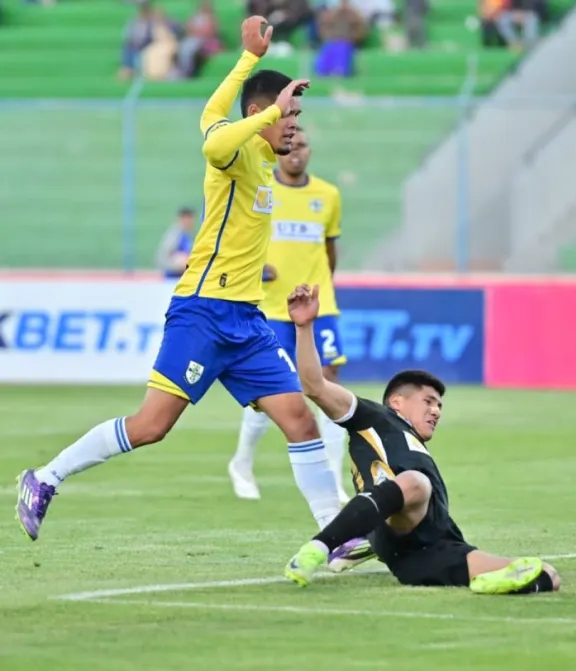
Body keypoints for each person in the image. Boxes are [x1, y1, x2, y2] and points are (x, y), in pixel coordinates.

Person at [15, 17, 345, 549]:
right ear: (261, 114)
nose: (295, 127)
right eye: (289, 116)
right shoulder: (235, 152)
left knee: (300, 421)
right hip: (203, 311)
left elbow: (212, 112)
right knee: (151, 426)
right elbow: (214, 141)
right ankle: (46, 477)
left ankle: (338, 537)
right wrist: (261, 95)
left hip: (247, 319)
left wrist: (248, 59)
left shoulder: (262, 156)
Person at [281, 284, 562, 594]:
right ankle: (322, 546)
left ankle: (484, 582)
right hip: (400, 522)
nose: (436, 410)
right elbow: (314, 386)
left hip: (432, 552)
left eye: (439, 405)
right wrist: (304, 327)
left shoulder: (417, 448)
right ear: (397, 402)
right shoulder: (375, 417)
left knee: (545, 574)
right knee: (415, 482)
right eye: (428, 401)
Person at [229, 127, 352, 508]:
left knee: (329, 385)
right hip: (271, 307)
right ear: (279, 151)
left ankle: (333, 481)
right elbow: (241, 239)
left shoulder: (328, 195)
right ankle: (242, 463)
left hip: (319, 305)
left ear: (310, 151)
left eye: (303, 146)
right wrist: (256, 268)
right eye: (290, 146)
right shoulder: (262, 191)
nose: (296, 153)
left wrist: (322, 287)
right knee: (274, 389)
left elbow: (330, 249)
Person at [156, 206, 197, 278]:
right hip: (173, 274)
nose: (190, 221)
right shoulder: (174, 234)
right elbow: (164, 256)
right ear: (181, 219)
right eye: (188, 218)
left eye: (191, 218)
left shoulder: (190, 235)